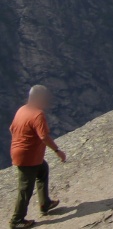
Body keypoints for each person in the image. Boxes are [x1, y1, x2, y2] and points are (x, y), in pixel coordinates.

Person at [9, 86, 65, 228]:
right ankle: (16, 221)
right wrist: (57, 151)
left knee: (42, 169)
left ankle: (44, 203)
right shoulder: (37, 114)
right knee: (25, 188)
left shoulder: (22, 109)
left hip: (21, 152)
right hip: (27, 156)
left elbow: (12, 128)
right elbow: (44, 137)